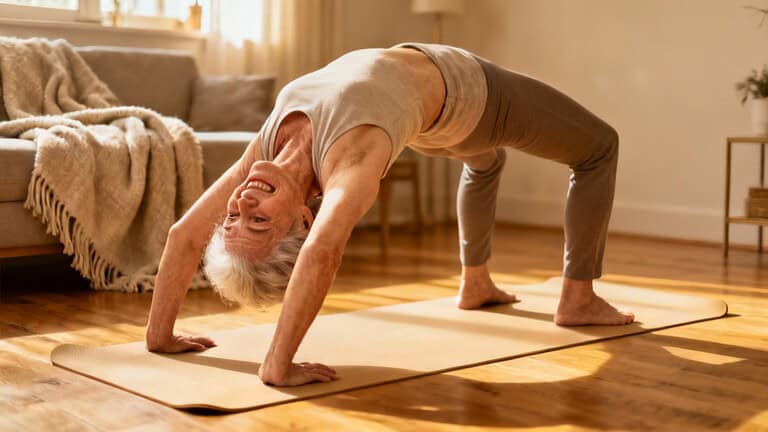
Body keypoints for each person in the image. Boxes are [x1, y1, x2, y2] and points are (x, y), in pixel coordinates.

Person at [145, 43, 634, 387]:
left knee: (485, 160)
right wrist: (277, 364)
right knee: (598, 147)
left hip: (432, 119)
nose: (243, 205)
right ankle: (578, 297)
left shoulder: (265, 156)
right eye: (259, 223)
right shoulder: (350, 166)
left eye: (232, 221)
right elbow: (323, 252)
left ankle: (475, 283)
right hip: (471, 97)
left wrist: (160, 337)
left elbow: (184, 234)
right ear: (301, 219)